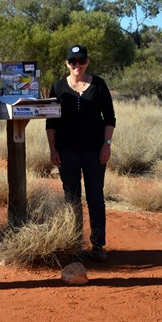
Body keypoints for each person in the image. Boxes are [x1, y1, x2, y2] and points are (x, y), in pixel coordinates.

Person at [46, 44, 116, 262]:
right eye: (73, 61)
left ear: (87, 62)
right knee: (71, 196)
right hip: (67, 151)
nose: (78, 65)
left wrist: (107, 144)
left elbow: (110, 118)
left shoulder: (99, 85)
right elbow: (51, 122)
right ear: (67, 64)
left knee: (95, 196)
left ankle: (97, 244)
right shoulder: (58, 87)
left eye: (81, 61)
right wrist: (53, 149)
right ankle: (73, 242)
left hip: (95, 151)